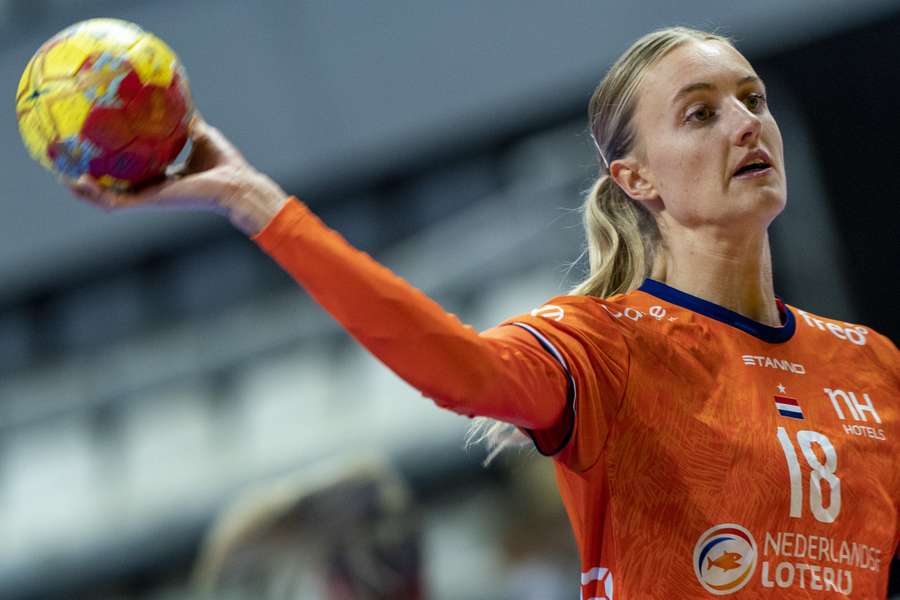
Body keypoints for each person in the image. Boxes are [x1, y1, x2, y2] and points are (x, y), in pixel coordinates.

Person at [70, 26, 898, 598]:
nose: (747, 124)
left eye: (754, 99)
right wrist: (253, 200)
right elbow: (459, 370)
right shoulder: (606, 348)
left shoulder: (872, 365)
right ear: (636, 181)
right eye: (702, 112)